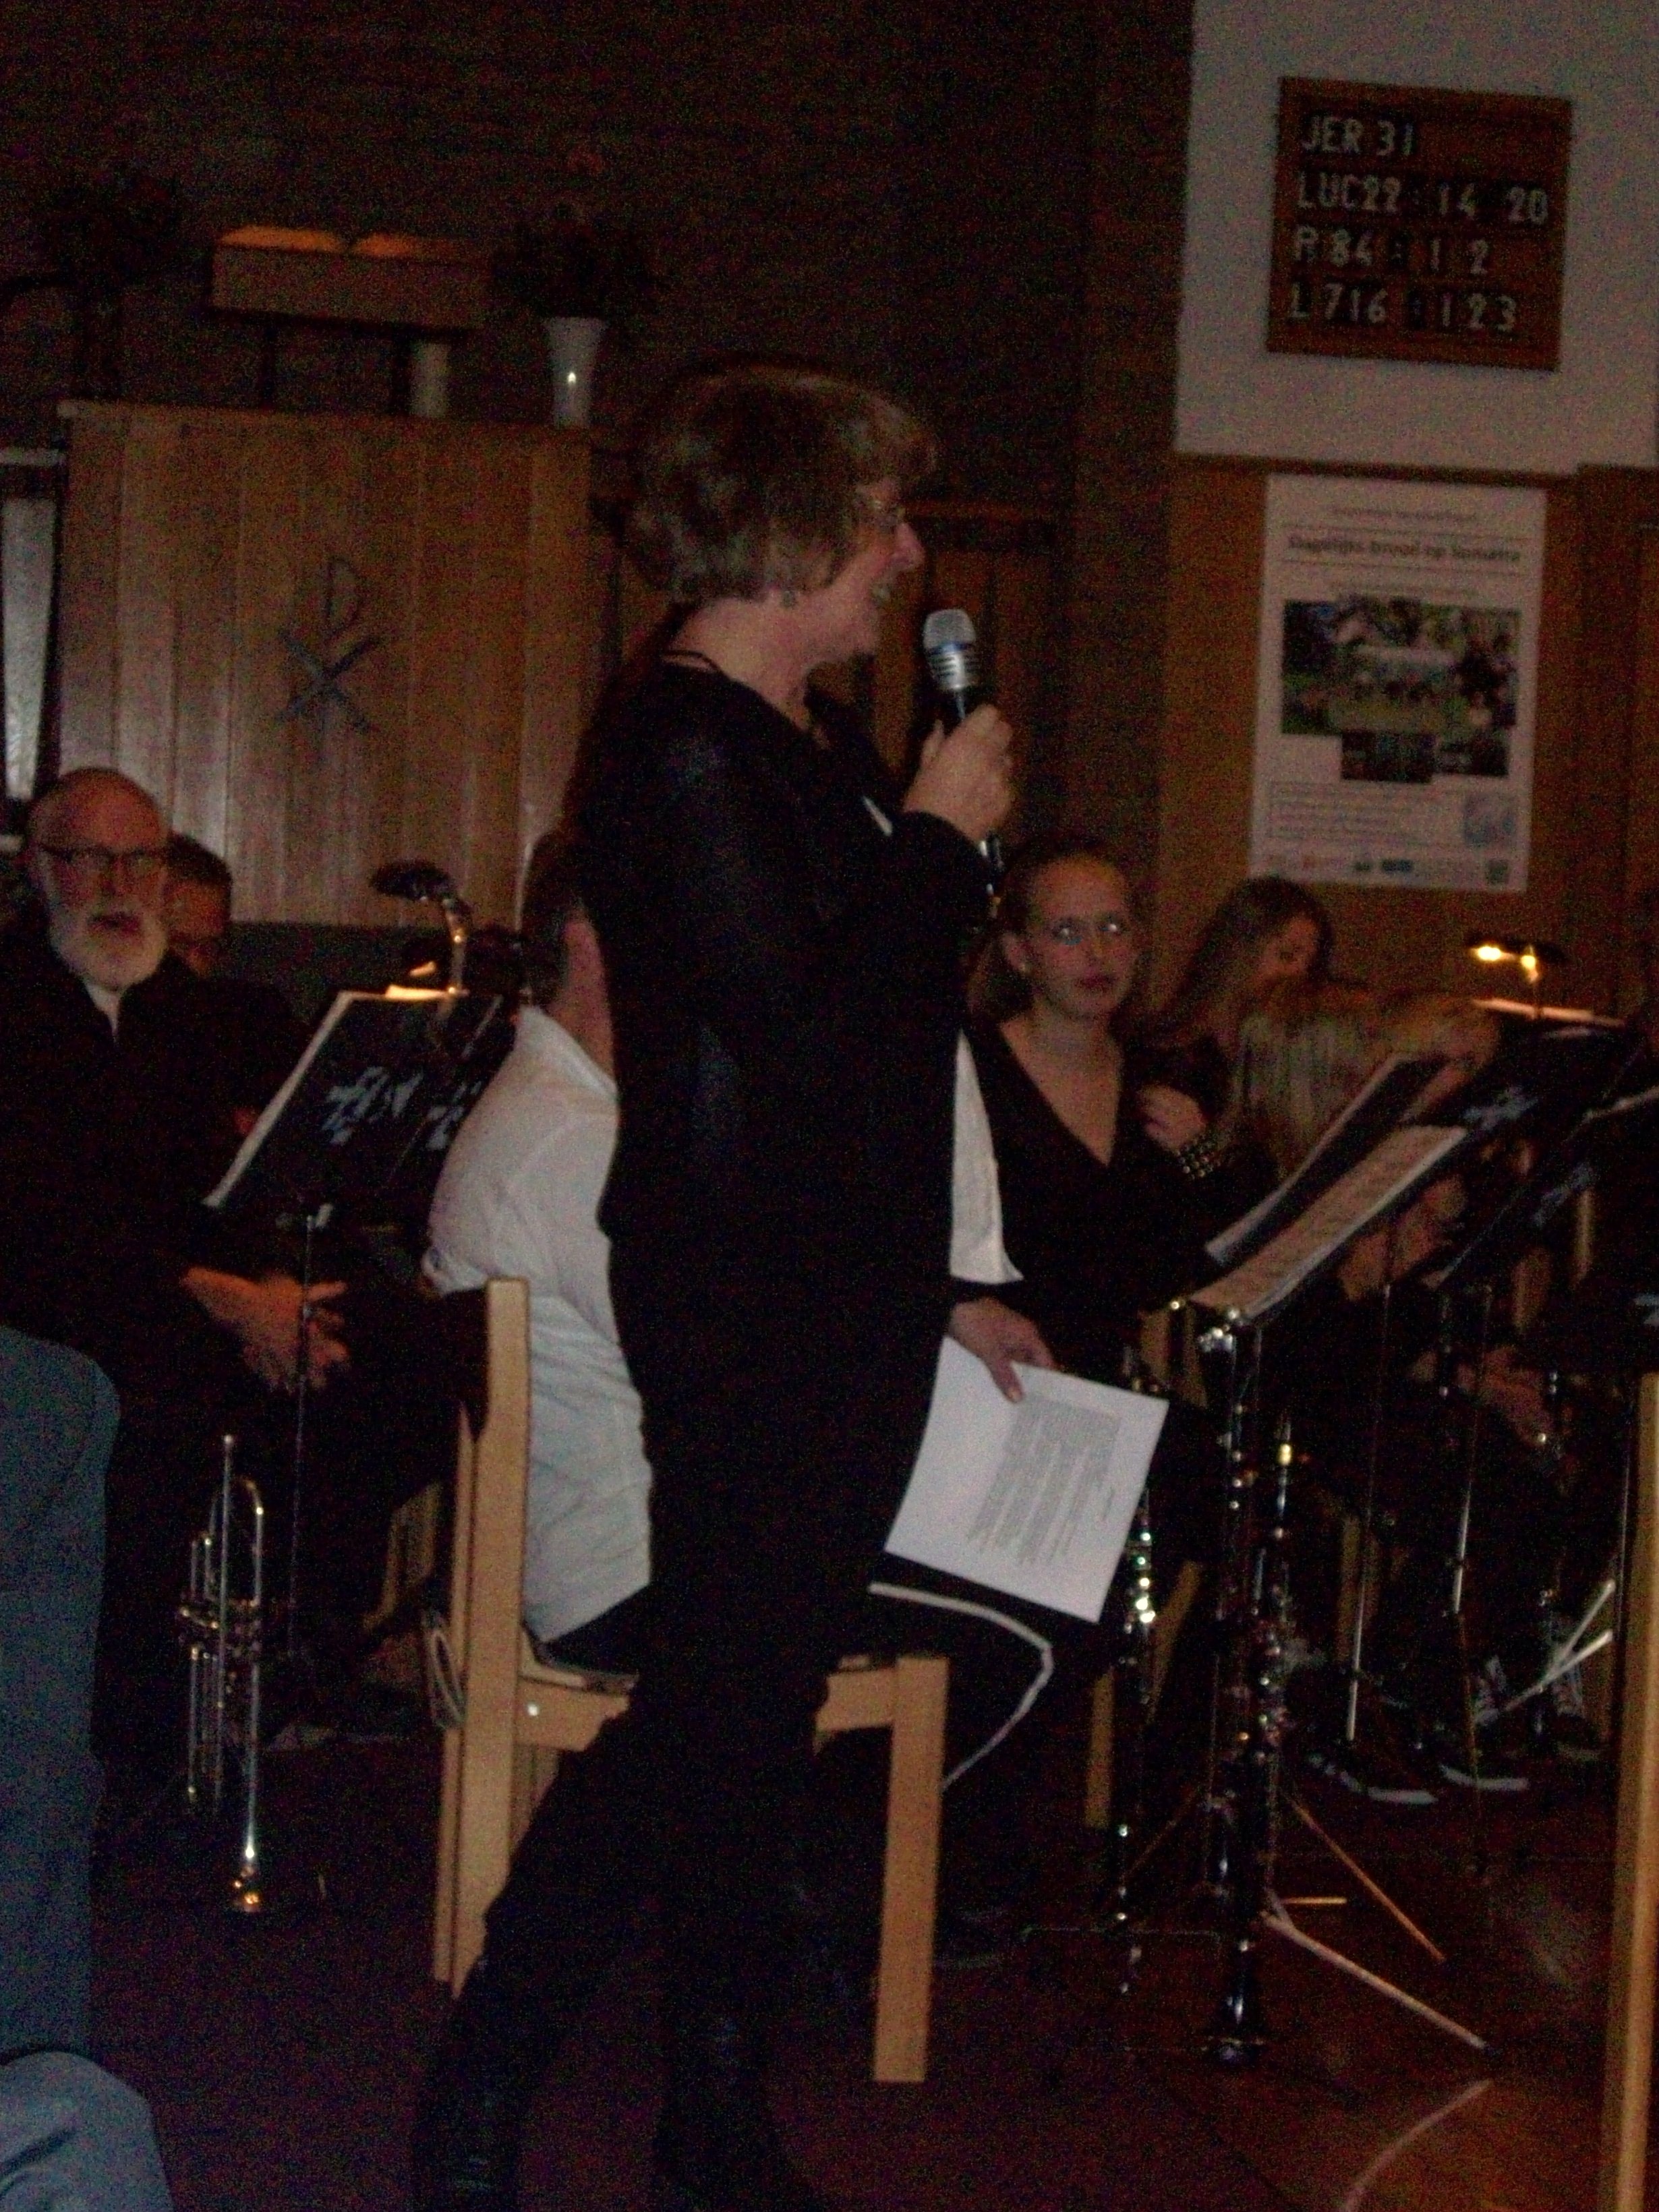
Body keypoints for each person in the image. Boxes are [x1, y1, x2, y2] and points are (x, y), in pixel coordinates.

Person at [412, 363, 1038, 2212]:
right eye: (884, 521)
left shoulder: (797, 736)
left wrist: (939, 1278)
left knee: (741, 1726)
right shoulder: (684, 750)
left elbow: (877, 1032)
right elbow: (812, 1044)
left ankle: (706, 2112)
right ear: (790, 530)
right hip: (750, 1305)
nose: (906, 559)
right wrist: (939, 840)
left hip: (836, 1293)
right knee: (709, 1709)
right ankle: (492, 2082)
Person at [0, 767, 345, 1767]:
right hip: (55, 1319)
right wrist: (233, 1303)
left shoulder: (178, 1010)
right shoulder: (13, 999)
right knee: (158, 1412)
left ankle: (299, 1660)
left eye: (140, 861)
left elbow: (224, 1190)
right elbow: (42, 1228)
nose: (119, 886)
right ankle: (135, 1737)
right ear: (39, 870)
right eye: (89, 859)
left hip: (189, 1304)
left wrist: (274, 1294)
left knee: (385, 1359)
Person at [425, 834, 651, 1676]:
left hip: (606, 1564)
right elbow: (725, 1363)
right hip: (631, 1581)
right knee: (994, 1604)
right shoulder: (573, 1139)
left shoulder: (562, 1106)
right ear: (593, 944)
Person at [1131, 875, 1334, 1181]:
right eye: (1286, 956)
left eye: (1310, 966)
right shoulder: (1165, 1058)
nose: (1298, 976)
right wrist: (1199, 1154)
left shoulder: (1284, 1059)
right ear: (1238, 952)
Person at [163, 832, 307, 1130]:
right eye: (178, 946)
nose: (195, 964)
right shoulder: (103, 1026)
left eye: (210, 948)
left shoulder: (257, 1014)